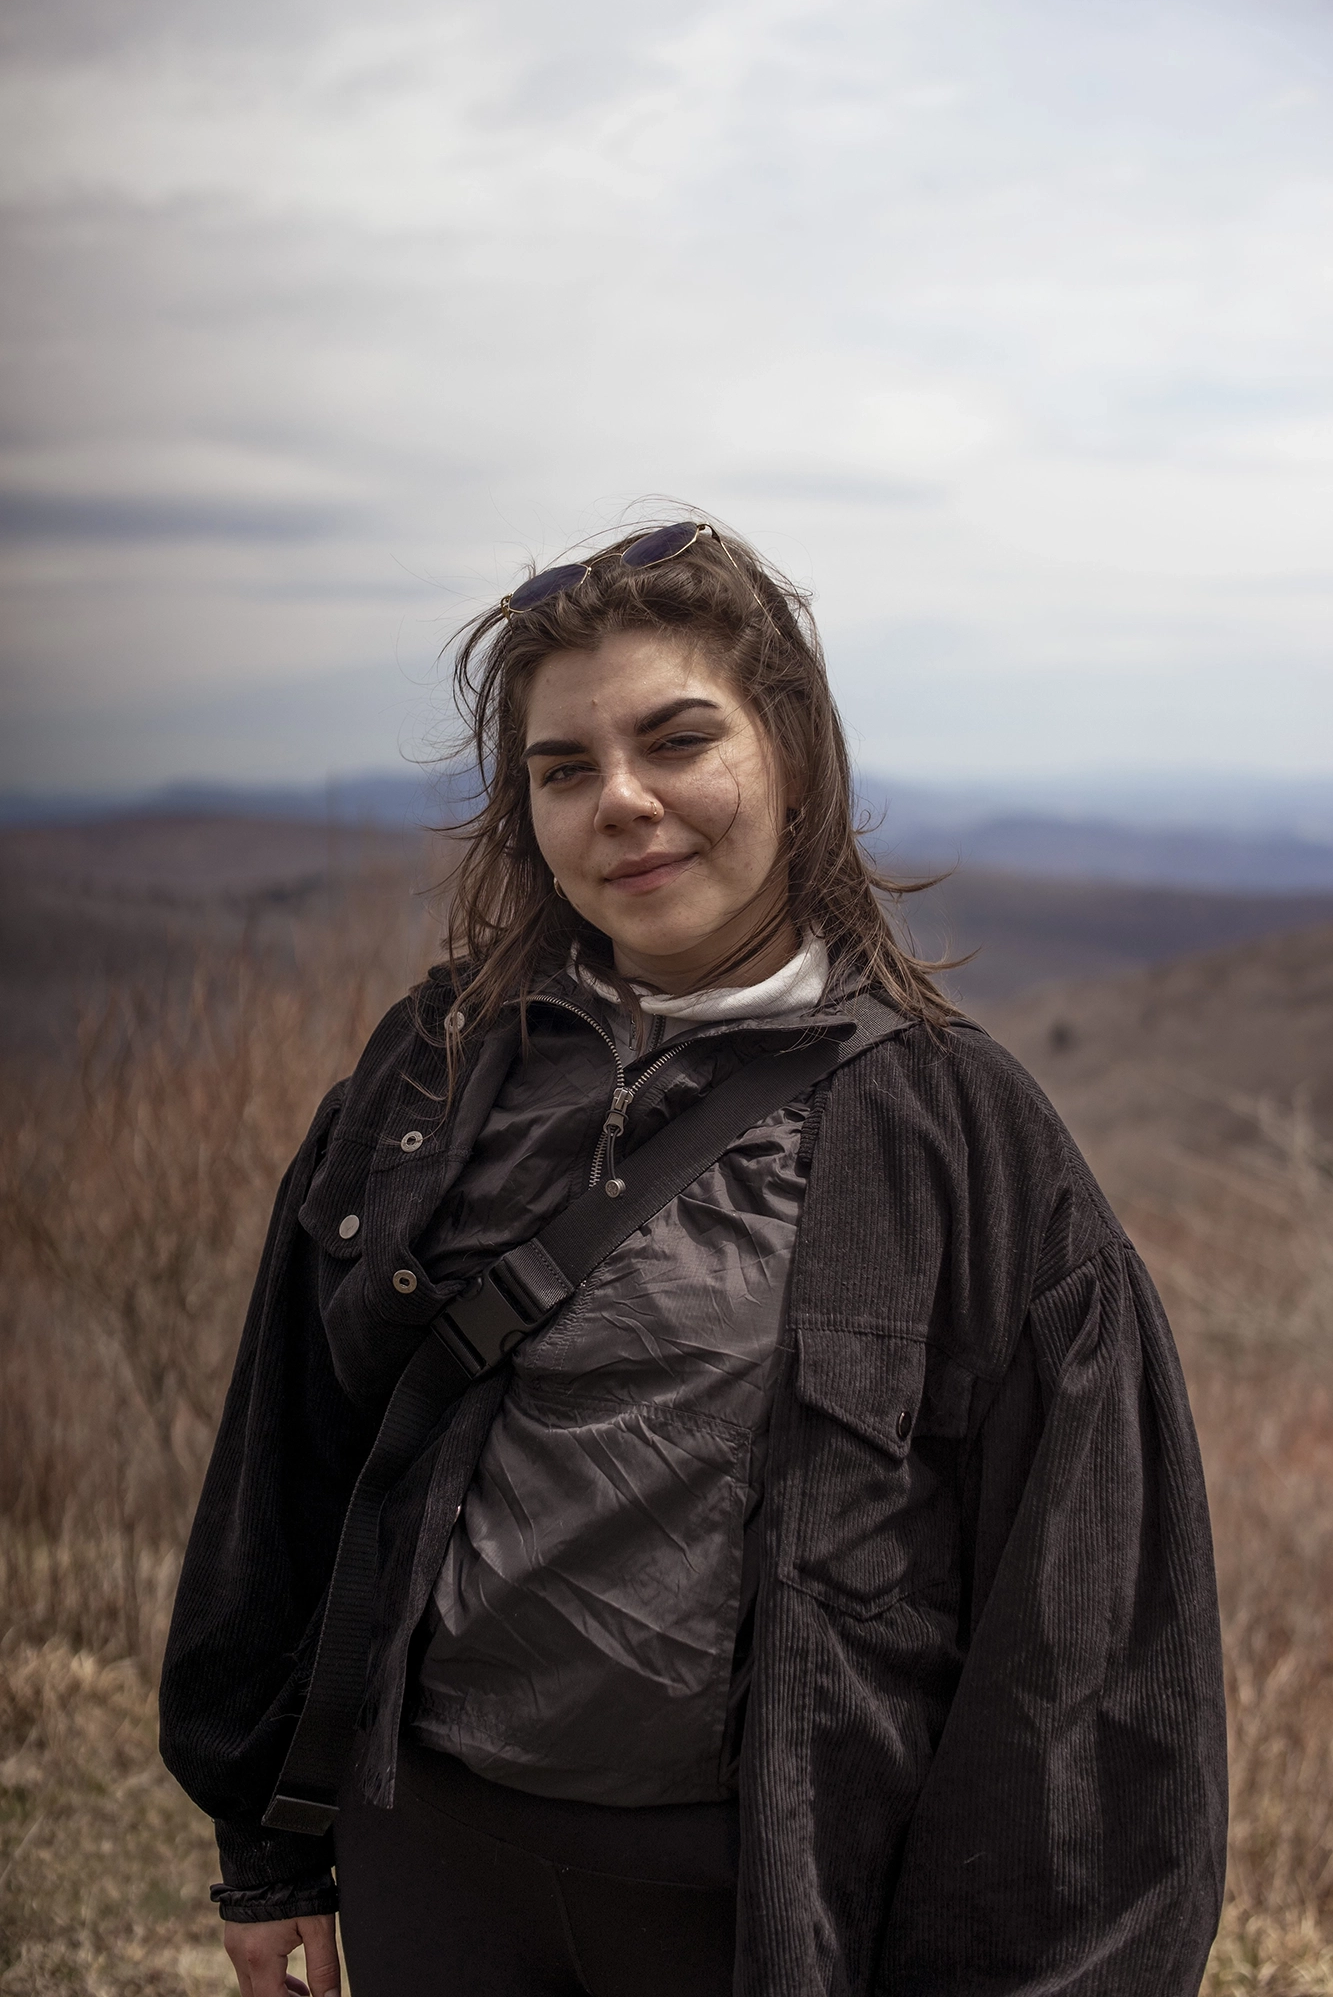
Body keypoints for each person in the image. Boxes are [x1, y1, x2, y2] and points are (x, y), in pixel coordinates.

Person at [159, 516, 1228, 1997]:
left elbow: (1090, 1645)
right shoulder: (438, 1070)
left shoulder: (961, 1139)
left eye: (677, 741)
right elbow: (293, 1457)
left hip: (761, 1902)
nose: (624, 802)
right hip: (434, 1856)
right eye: (563, 769)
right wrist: (268, 1842)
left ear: (791, 752)